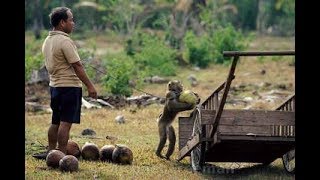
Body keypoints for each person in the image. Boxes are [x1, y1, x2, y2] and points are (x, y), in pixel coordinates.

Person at [33, 7, 97, 159]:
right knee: (65, 123)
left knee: (55, 121)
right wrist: (90, 86)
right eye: (71, 20)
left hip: (54, 87)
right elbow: (77, 66)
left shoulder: (47, 40)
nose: (73, 23)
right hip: (69, 87)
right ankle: (61, 156)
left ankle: (51, 152)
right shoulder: (65, 41)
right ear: (62, 22)